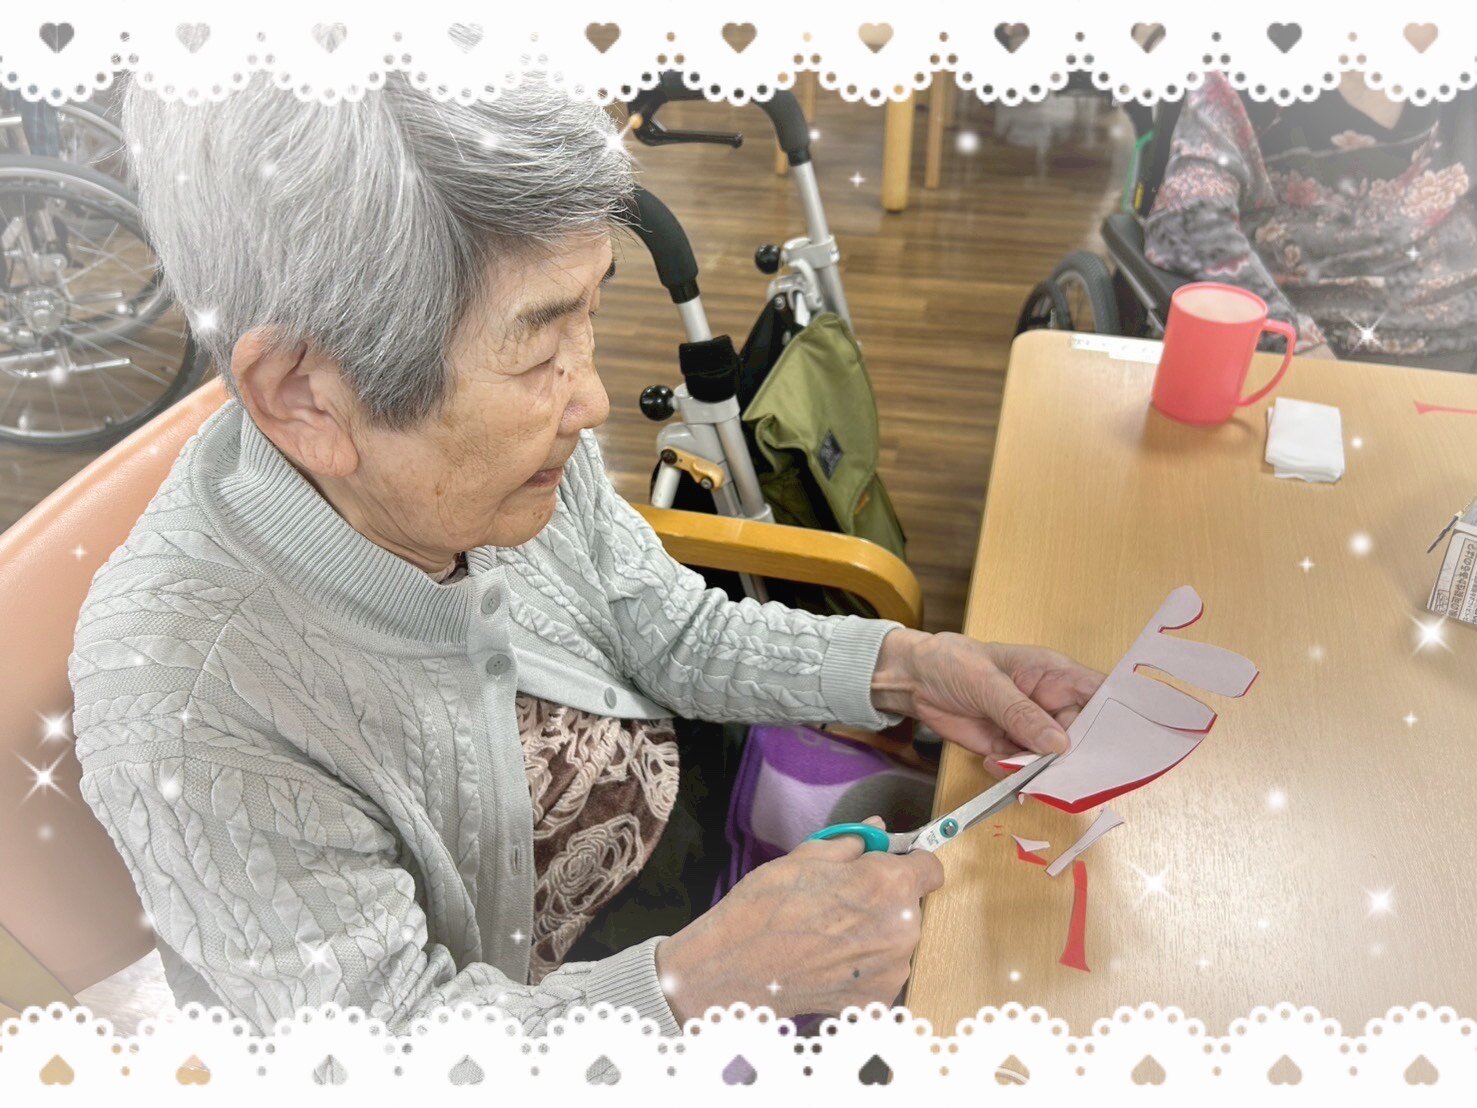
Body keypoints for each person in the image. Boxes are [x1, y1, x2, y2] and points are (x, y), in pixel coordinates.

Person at [69, 71, 1104, 1038]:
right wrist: (696, 985)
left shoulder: (499, 455)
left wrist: (906, 667)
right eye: (536, 344)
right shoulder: (189, 710)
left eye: (592, 312)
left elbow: (667, 627)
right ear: (303, 393)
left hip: (709, 828)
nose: (593, 399)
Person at [1144, 47, 1477, 371]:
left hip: (1462, 347)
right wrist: (1294, 341)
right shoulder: (1252, 65)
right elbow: (1187, 219)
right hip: (1310, 348)